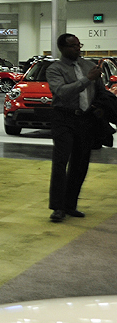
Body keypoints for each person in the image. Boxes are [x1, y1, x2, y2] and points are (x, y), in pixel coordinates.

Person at [46, 33, 103, 223]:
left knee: (80, 164)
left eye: (79, 45)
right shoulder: (55, 69)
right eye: (72, 46)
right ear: (62, 48)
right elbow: (61, 92)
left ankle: (70, 205)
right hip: (64, 118)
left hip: (85, 119)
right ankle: (57, 208)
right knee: (61, 162)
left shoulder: (89, 65)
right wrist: (87, 79)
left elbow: (99, 91)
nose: (77, 49)